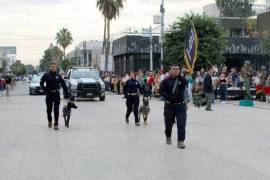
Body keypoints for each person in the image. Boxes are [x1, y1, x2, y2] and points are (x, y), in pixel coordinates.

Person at [160, 65, 188, 149]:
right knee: (168, 124)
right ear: (170, 70)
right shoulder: (165, 81)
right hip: (169, 105)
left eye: (177, 69)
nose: (176, 70)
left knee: (181, 124)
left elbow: (185, 82)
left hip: (181, 105)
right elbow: (161, 90)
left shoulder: (181, 79)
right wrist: (168, 97)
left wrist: (180, 76)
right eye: (174, 69)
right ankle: (168, 135)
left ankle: (180, 141)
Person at [40, 62, 69, 130]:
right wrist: (44, 90)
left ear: (56, 68)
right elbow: (41, 83)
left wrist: (67, 93)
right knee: (49, 110)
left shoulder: (58, 76)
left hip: (56, 94)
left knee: (56, 110)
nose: (53, 68)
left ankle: (56, 124)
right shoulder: (46, 75)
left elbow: (63, 84)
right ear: (50, 67)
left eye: (54, 67)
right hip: (49, 95)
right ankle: (50, 121)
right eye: (52, 67)